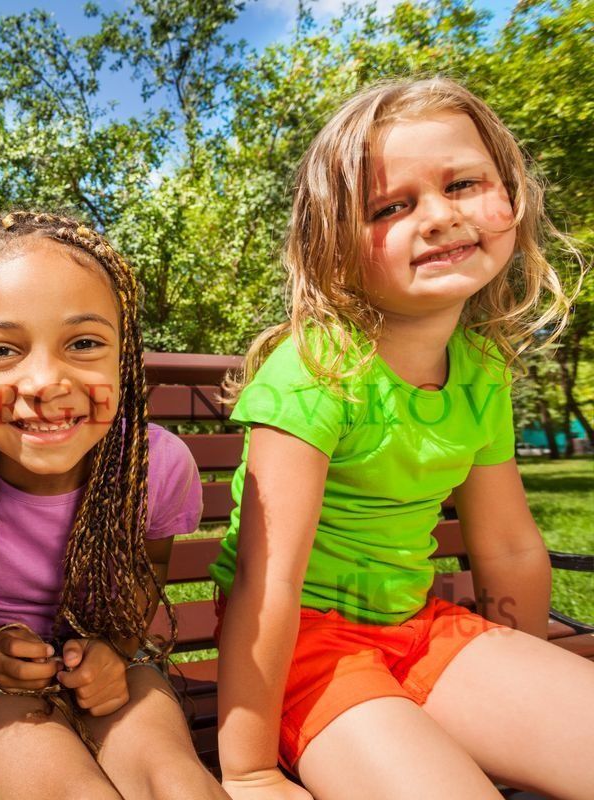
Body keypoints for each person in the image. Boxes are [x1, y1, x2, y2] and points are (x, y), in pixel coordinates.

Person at [209, 77, 594, 800]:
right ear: (333, 248)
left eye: (463, 184)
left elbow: (509, 545)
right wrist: (250, 770)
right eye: (392, 206)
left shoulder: (482, 369)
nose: (441, 217)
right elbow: (269, 586)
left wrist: (510, 678)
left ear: (512, 196)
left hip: (420, 629)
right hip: (303, 651)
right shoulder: (316, 373)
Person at [0, 211, 228, 800]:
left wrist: (115, 650)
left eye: (85, 343)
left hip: (110, 664)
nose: (45, 380)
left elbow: (145, 576)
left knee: (178, 782)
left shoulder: (152, 468)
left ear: (124, 357)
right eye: (0, 350)